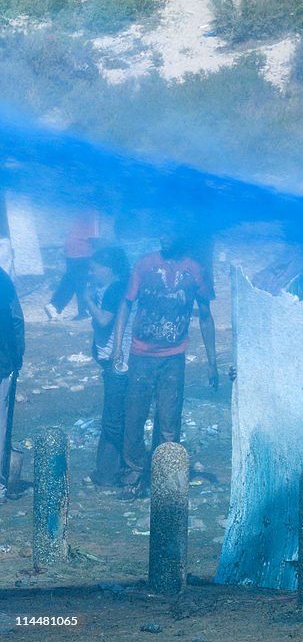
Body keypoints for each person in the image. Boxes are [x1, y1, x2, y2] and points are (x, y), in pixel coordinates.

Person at [111, 225, 218, 499]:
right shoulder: (145, 264)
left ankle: (164, 478)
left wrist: (212, 361)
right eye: (162, 231)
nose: (164, 236)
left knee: (169, 421)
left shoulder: (195, 269)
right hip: (140, 354)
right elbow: (126, 303)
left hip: (173, 356)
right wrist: (117, 346)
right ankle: (132, 476)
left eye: (170, 231)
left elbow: (206, 316)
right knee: (134, 417)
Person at [84, 247, 131, 487]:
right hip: (115, 361)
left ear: (108, 268)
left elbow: (104, 320)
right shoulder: (114, 287)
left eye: (94, 269)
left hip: (119, 362)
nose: (90, 273)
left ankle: (122, 469)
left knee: (114, 419)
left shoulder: (115, 288)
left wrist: (87, 299)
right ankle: (107, 471)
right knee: (113, 416)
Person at [46, 208, 99, 321]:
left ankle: (55, 306)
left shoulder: (81, 210)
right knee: (82, 282)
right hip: (82, 250)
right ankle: (79, 310)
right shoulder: (93, 212)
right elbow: (93, 237)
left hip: (72, 249)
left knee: (73, 280)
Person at [0, 265, 24, 504]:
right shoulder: (3, 278)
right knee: (0, 424)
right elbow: (17, 320)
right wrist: (17, 357)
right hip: (3, 360)